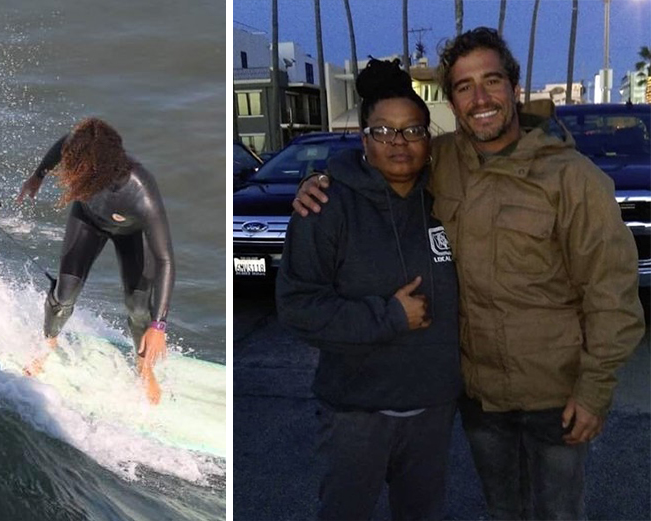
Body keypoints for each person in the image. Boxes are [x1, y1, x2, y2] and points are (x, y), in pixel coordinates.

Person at [293, 27, 645, 520]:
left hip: (556, 394)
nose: (480, 98)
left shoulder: (573, 178)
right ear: (453, 103)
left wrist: (594, 391)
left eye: (492, 81)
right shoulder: (445, 161)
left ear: (515, 89)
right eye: (464, 86)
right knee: (502, 510)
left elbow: (612, 292)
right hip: (480, 397)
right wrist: (321, 178)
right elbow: (381, 152)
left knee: (559, 514)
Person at [276, 59, 462, 521]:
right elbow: (297, 307)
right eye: (383, 131)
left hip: (433, 408)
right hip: (356, 412)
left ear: (428, 139)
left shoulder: (451, 198)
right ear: (364, 140)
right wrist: (390, 317)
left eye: (412, 131)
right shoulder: (325, 206)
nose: (398, 143)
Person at [17, 118, 174, 405]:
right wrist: (37, 176)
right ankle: (49, 341)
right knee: (63, 294)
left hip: (132, 234)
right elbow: (62, 146)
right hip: (87, 221)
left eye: (76, 168)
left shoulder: (141, 192)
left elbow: (164, 260)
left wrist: (159, 326)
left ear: (97, 168)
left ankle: (143, 367)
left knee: (139, 308)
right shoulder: (80, 148)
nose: (69, 173)